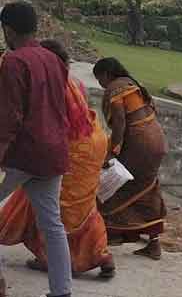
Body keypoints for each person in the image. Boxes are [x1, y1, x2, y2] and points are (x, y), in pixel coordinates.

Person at [0, 39, 113, 281]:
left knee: (60, 210)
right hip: (89, 140)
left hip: (64, 147)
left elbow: (20, 117)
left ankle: (46, 260)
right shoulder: (73, 82)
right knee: (76, 208)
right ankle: (92, 262)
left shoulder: (41, 79)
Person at [0, 3, 73, 297]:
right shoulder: (53, 58)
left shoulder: (14, 61)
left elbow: (9, 116)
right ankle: (61, 291)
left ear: (8, 29)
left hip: (22, 154)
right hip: (53, 152)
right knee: (52, 225)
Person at [93, 57, 168, 259]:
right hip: (157, 139)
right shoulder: (132, 84)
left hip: (139, 142)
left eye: (99, 79)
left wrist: (113, 150)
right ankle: (153, 244)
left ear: (106, 74)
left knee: (112, 185)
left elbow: (119, 122)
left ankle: (109, 236)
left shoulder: (115, 88)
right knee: (147, 188)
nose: (100, 84)